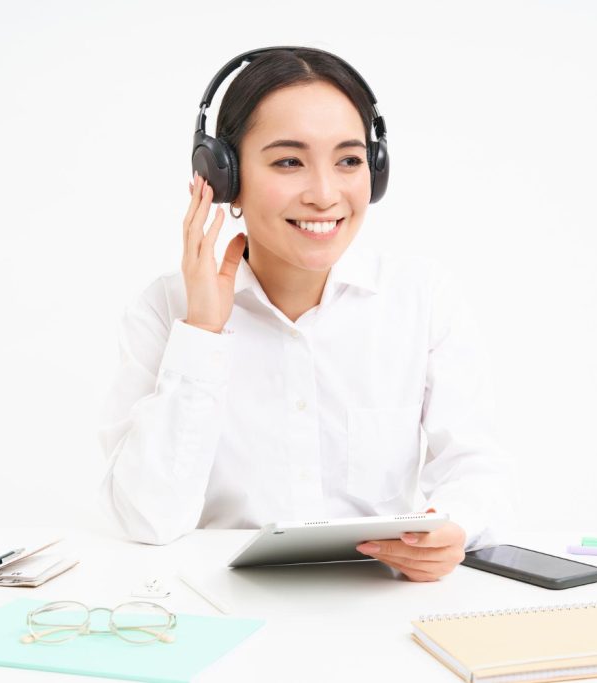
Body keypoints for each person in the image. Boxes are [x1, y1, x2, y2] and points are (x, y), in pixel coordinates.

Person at [98, 47, 513, 582]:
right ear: (224, 177)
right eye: (288, 161)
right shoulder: (166, 310)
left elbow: (476, 467)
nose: (324, 194)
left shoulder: (422, 297)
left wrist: (453, 525)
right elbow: (146, 518)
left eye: (349, 160)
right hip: (220, 609)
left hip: (375, 608)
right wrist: (202, 333)